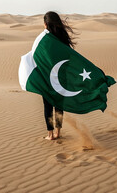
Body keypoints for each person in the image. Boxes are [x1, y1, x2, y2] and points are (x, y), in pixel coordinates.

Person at [41, 11, 77, 140]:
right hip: (62, 77)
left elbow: (40, 58)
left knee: (48, 105)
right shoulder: (62, 38)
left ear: (46, 24)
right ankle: (58, 132)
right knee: (59, 105)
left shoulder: (45, 40)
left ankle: (50, 134)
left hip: (47, 77)